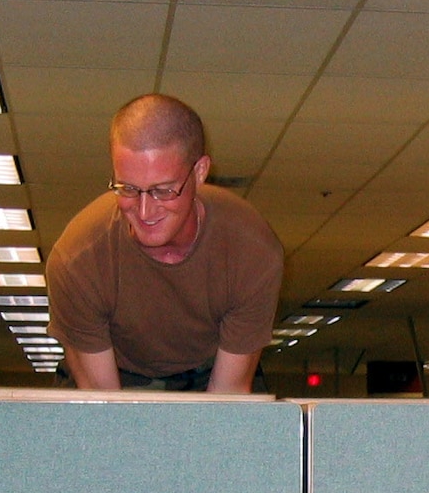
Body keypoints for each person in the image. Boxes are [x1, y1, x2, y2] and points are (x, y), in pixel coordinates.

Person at [47, 95, 284, 393]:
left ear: (199, 172)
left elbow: (229, 393)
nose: (144, 211)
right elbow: (103, 404)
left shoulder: (251, 252)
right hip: (116, 369)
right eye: (128, 188)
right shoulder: (78, 258)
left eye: (164, 190)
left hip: (210, 367)